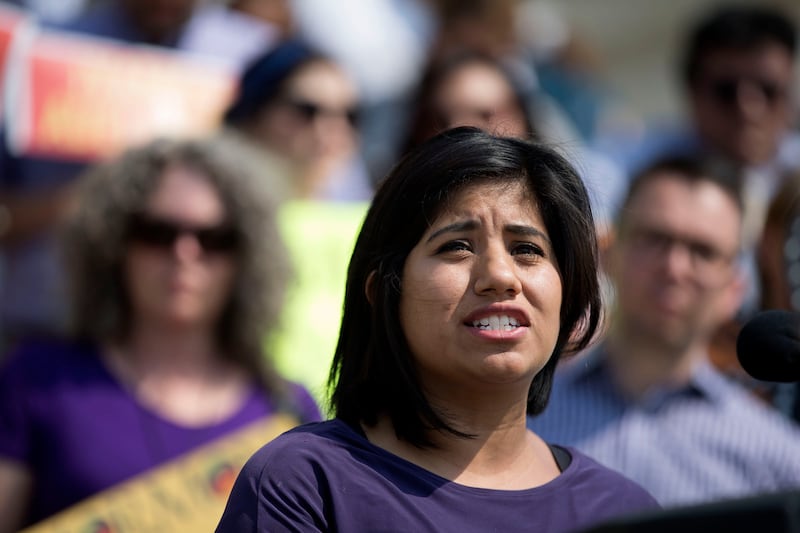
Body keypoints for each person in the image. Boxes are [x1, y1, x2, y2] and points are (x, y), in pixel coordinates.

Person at [216, 126, 659, 532]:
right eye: (457, 246)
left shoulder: (623, 511)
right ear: (384, 291)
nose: (501, 276)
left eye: (527, 249)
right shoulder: (303, 484)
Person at [0, 136, 322, 530]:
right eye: (157, 232)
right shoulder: (36, 378)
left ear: (246, 259)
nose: (185, 254)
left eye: (214, 239)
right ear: (115, 244)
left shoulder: (287, 411)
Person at [529, 156, 800, 508]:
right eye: (655, 239)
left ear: (735, 288)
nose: (674, 268)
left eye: (702, 251)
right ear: (608, 253)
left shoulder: (777, 458)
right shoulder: (520, 420)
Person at [613, 4, 799, 312]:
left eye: (768, 90)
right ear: (692, 90)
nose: (749, 108)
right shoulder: (634, 165)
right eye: (727, 91)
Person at [222, 38, 373, 202]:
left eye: (351, 116)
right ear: (254, 112)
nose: (334, 128)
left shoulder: (369, 214)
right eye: (307, 110)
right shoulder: (207, 214)